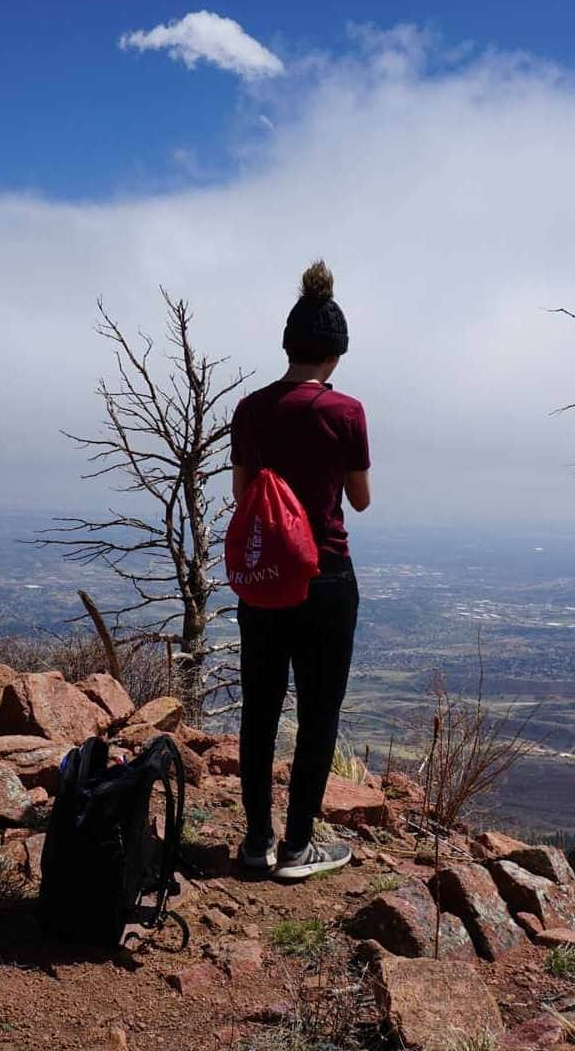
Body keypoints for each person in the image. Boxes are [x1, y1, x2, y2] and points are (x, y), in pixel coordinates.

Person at [229, 260, 371, 881]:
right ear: (335, 354)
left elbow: (241, 497)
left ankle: (256, 841)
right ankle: (297, 849)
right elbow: (360, 500)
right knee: (319, 712)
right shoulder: (345, 412)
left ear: (288, 345)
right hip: (328, 576)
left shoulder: (251, 410)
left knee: (259, 708)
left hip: (265, 577)